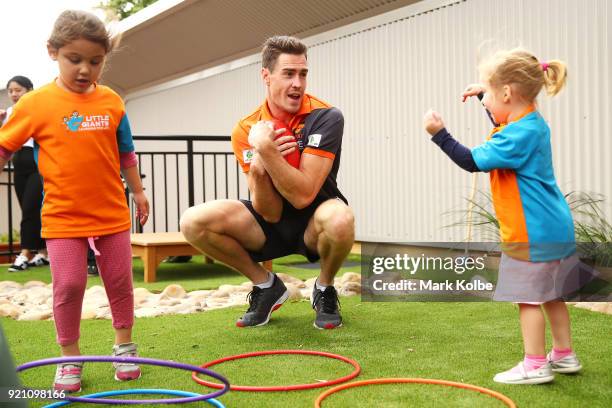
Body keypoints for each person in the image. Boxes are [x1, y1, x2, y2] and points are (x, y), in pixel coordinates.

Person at [0, 10, 149, 392]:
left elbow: (126, 153)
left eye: (95, 61)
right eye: (75, 59)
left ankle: (124, 346)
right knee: (68, 285)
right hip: (63, 216)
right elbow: (4, 146)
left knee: (119, 281)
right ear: (53, 52)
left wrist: (139, 192)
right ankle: (69, 357)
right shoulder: (35, 103)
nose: (85, 69)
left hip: (111, 213)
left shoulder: (112, 102)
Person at [423, 48, 581, 384]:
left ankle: (535, 364)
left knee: (527, 299)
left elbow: (470, 160)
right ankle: (564, 355)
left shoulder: (516, 134)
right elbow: (502, 123)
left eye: (491, 93)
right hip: (554, 227)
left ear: (507, 93)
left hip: (530, 232)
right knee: (552, 293)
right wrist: (485, 95)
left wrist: (439, 134)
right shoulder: (531, 123)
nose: (488, 101)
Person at [181, 35, 354, 329]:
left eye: (303, 73)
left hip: (315, 218)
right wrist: (261, 165)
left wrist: (267, 150)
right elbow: (269, 212)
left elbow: (304, 196)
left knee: (341, 219)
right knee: (192, 221)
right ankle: (265, 285)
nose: (298, 83)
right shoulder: (246, 129)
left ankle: (324, 288)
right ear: (266, 75)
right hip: (269, 223)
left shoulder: (326, 117)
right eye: (288, 73)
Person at [0, 76, 48, 271]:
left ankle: (26, 253)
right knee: (29, 209)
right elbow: (5, 141)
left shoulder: (38, 107)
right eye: (10, 90)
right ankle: (43, 252)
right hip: (18, 162)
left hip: (37, 161)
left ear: (29, 90)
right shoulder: (9, 112)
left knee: (31, 208)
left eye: (18, 90)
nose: (13, 94)